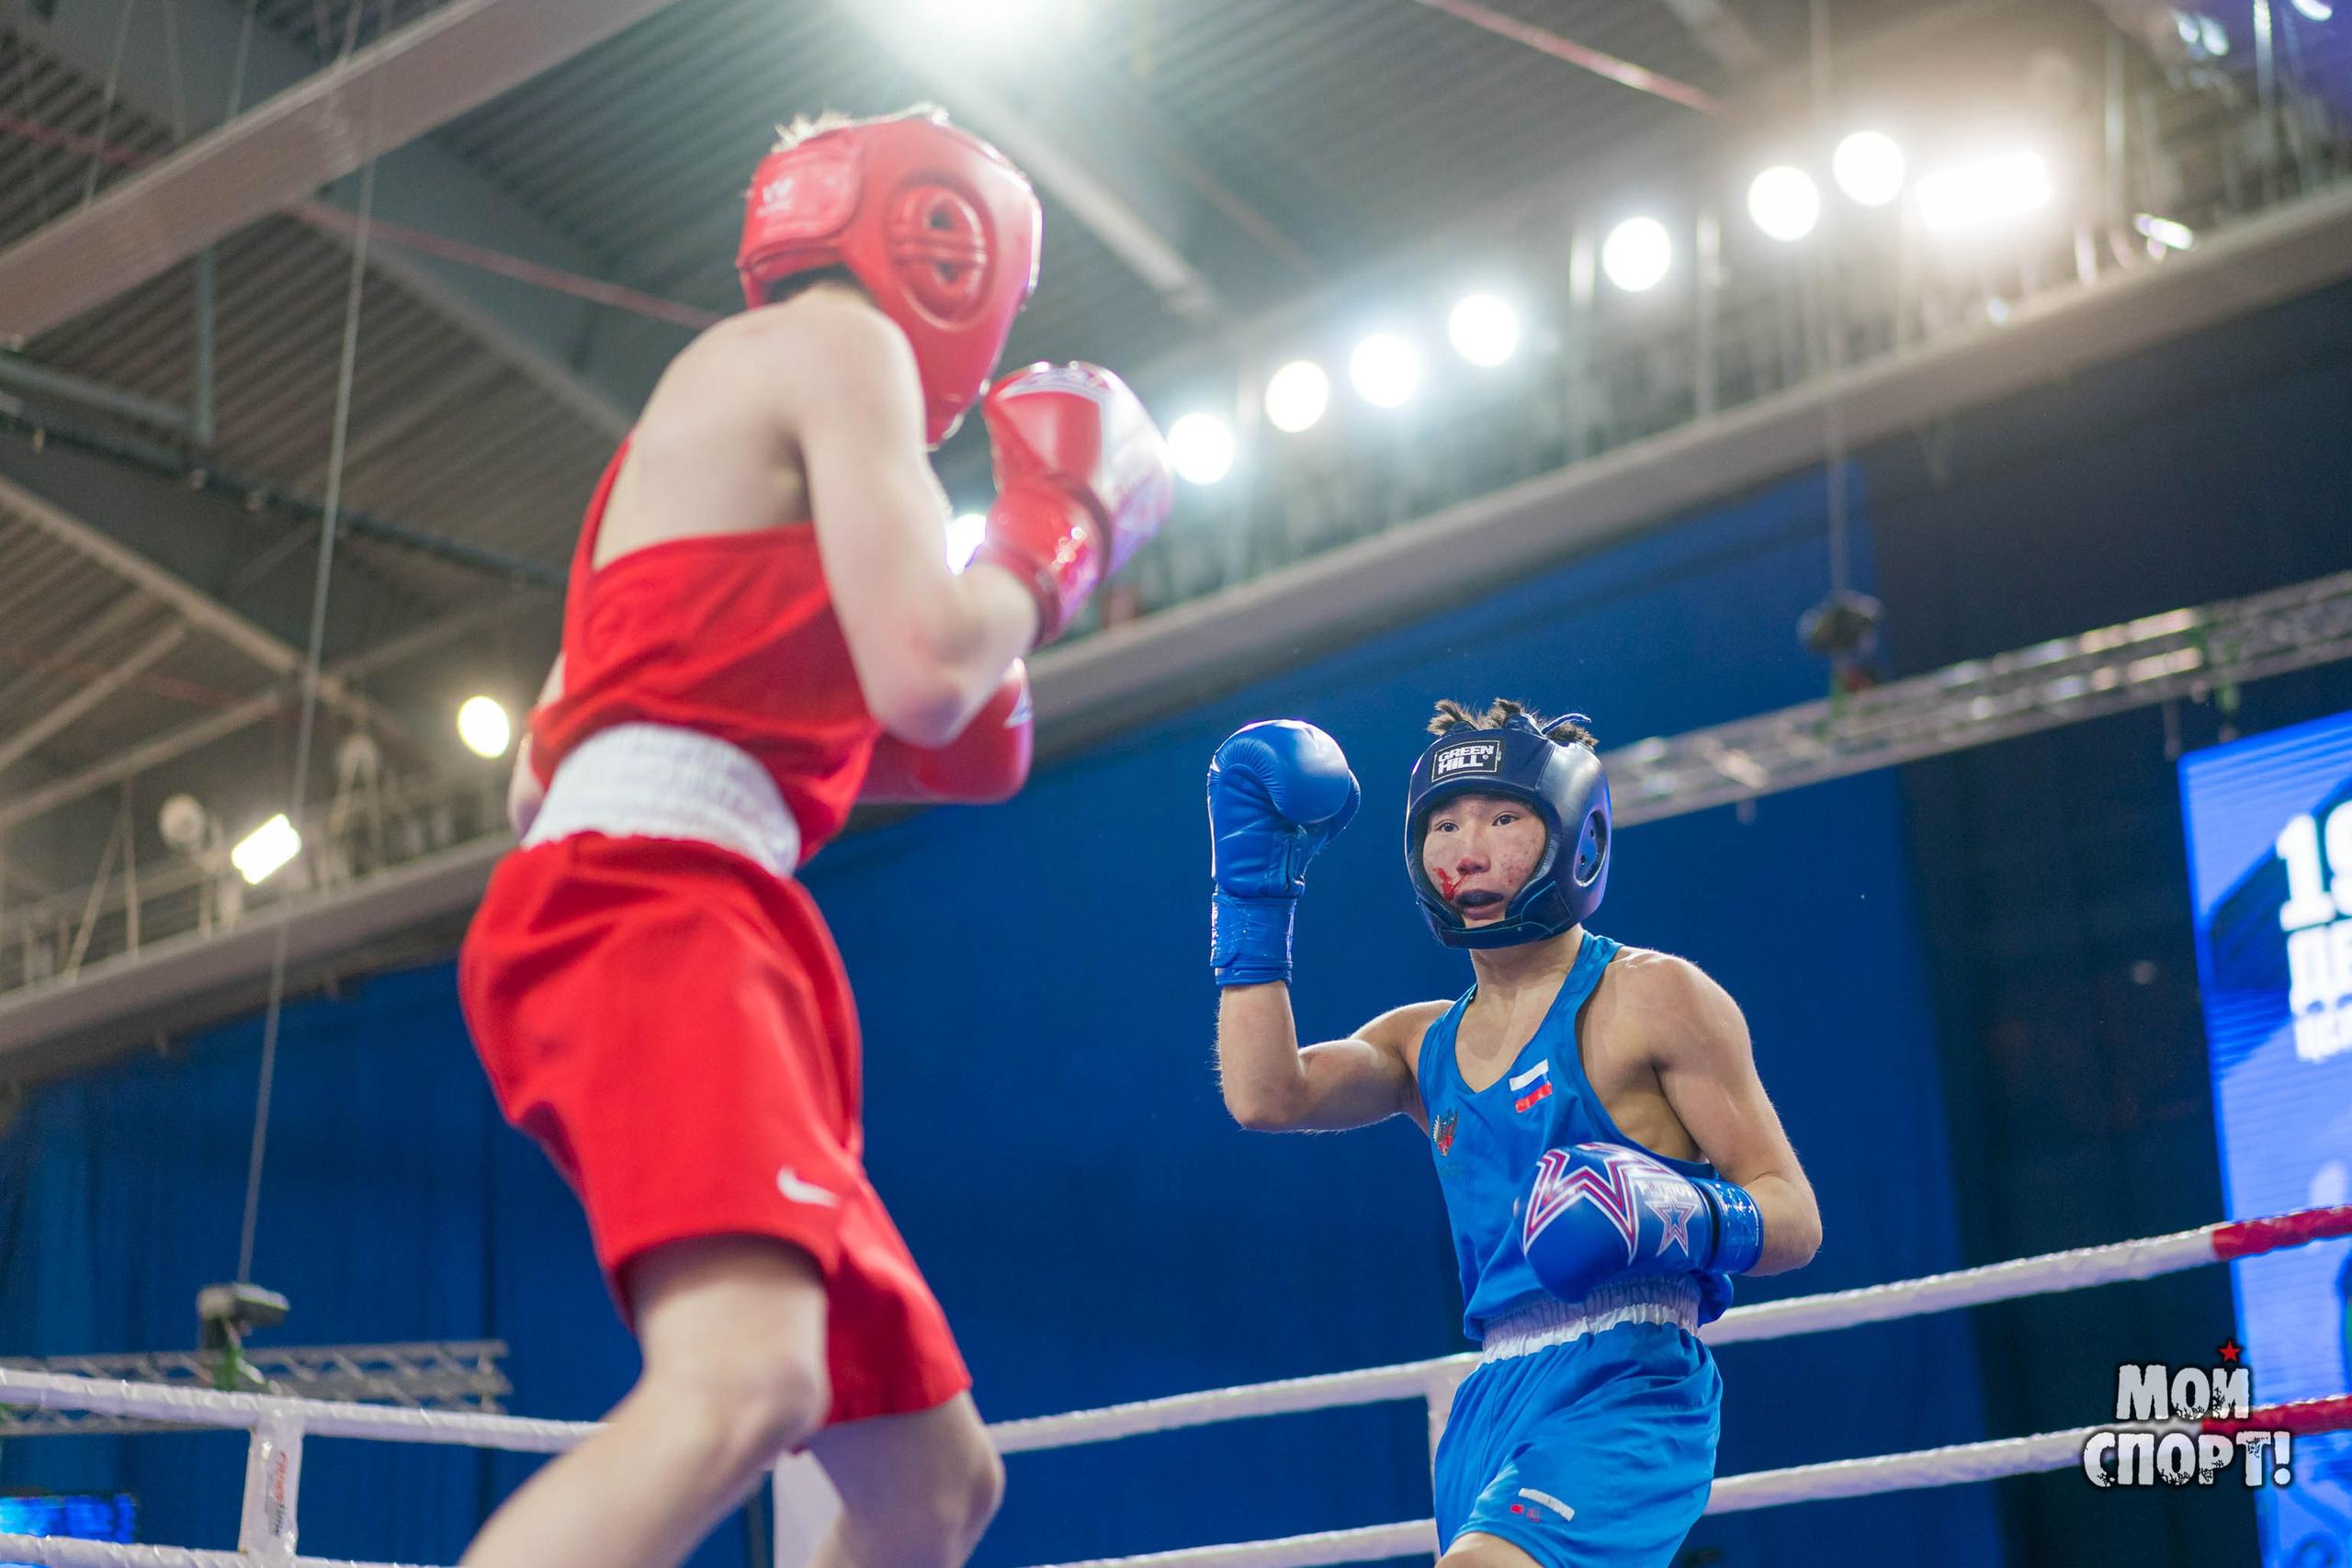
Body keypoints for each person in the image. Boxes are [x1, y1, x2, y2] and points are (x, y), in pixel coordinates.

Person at [458, 107, 1172, 1568]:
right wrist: (1061, 541)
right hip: (661, 904)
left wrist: (878, 731)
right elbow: (929, 665)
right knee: (744, 1382)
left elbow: (545, 778)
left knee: (933, 1486)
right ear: (948, 249)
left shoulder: (676, 436)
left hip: (662, 896)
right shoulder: (847, 351)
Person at [1206, 699, 1823, 1568]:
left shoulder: (1655, 997)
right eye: (1445, 823)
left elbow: (1794, 1213)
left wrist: (1673, 1211)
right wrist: (1252, 891)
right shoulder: (1422, 1041)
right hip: (1491, 1395)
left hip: (1632, 1377)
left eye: (1505, 817)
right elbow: (1265, 1094)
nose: (1468, 848)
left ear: (1576, 834)